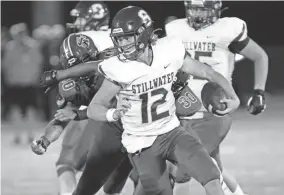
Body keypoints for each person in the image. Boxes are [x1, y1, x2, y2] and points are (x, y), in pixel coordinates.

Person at [86, 5, 240, 195]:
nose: (123, 44)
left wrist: (233, 97)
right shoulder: (118, 68)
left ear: (143, 33)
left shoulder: (168, 50)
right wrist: (112, 113)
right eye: (120, 39)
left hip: (172, 133)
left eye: (128, 37)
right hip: (142, 144)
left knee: (211, 176)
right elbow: (93, 108)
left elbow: (207, 72)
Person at [165, 1, 268, 195]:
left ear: (216, 9)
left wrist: (259, 92)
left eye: (202, 9)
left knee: (182, 168)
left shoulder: (228, 30)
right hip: (183, 110)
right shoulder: (175, 29)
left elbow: (260, 56)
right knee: (214, 167)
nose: (197, 14)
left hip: (214, 109)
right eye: (193, 8)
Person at [32, 2, 133, 195]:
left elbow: (72, 106)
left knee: (66, 164)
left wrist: (62, 77)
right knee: (118, 185)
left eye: (80, 17)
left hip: (104, 118)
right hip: (137, 117)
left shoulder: (82, 42)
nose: (76, 21)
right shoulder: (125, 38)